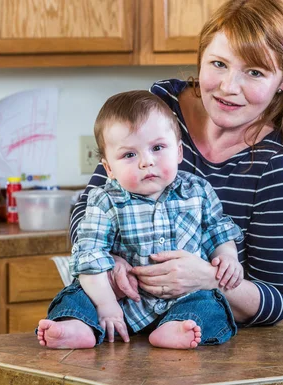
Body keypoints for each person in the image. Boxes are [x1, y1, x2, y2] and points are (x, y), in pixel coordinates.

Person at [57, 0, 283, 340]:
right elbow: (87, 209)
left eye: (255, 72)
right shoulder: (157, 115)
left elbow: (279, 302)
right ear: (201, 57)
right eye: (218, 63)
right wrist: (111, 261)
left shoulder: (280, 172)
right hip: (116, 328)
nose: (228, 86)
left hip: (196, 346)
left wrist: (209, 278)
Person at [37, 91, 243, 349]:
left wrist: (228, 257)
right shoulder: (105, 201)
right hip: (121, 301)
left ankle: (175, 328)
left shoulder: (198, 191)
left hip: (183, 296)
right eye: (129, 155)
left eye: (158, 148)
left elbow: (219, 231)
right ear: (109, 169)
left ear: (179, 152)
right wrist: (107, 305)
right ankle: (76, 327)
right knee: (76, 295)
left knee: (212, 305)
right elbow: (90, 258)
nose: (147, 161)